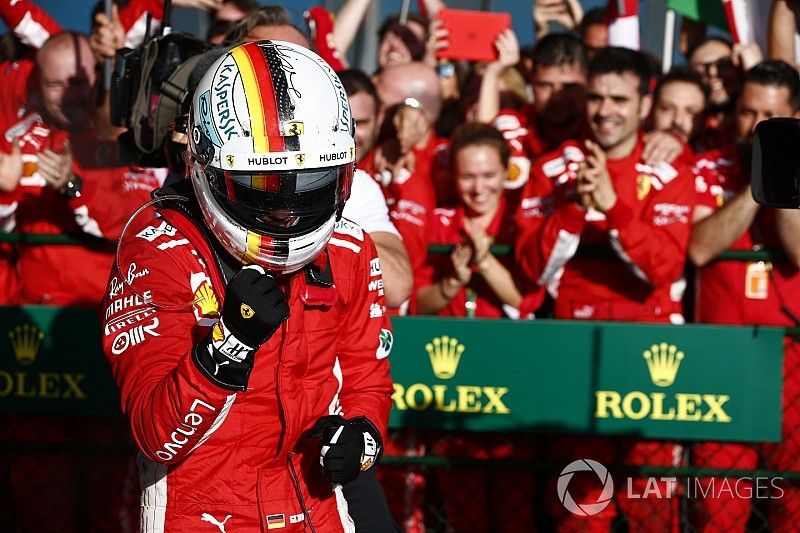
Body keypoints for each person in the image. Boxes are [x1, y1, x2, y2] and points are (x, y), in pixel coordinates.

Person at [101, 40, 393, 532]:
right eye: (264, 186)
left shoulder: (350, 248)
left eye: (311, 183)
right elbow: (156, 436)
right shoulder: (157, 246)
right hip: (201, 512)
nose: (289, 208)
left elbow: (367, 377)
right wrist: (227, 344)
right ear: (208, 166)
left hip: (318, 506)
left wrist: (362, 438)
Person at [515, 46, 695, 532]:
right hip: (575, 358)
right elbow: (532, 266)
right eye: (597, 97)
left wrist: (615, 207)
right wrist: (573, 206)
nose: (605, 110)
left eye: (620, 98)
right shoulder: (553, 169)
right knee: (580, 516)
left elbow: (663, 267)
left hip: (652, 362)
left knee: (653, 514)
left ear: (643, 104)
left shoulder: (671, 171)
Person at [689, 59, 800, 533]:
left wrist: (782, 173)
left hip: (792, 363)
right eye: (746, 111)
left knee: (792, 507)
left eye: (768, 117)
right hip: (722, 365)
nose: (754, 125)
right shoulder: (706, 167)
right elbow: (698, 247)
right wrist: (756, 182)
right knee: (717, 508)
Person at [649, 66, 709, 158]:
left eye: (690, 111)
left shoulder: (717, 165)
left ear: (703, 118)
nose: (677, 121)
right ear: (650, 110)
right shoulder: (626, 152)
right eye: (667, 108)